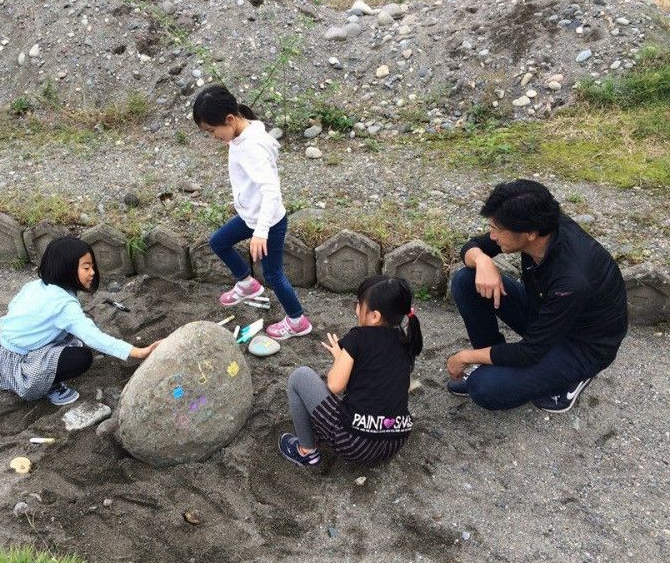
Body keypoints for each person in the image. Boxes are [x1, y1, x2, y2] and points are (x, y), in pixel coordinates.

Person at [446, 179, 628, 413]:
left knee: (484, 388)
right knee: (466, 280)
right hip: (546, 310)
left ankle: (574, 377)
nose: (492, 236)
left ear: (530, 233)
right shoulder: (539, 224)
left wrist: (466, 356)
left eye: (497, 229)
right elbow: (472, 246)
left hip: (582, 346)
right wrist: (482, 260)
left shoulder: (572, 280)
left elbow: (529, 352)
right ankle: (494, 366)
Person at [192, 84, 312, 340]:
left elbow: (271, 191)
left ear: (229, 119)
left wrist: (261, 232)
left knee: (273, 274)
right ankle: (247, 284)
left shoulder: (251, 147)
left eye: (212, 131)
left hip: (268, 222)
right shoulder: (243, 132)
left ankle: (297, 321)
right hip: (250, 217)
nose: (213, 137)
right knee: (218, 242)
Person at [0, 236, 160, 405]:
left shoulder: (35, 285)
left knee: (69, 333)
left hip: (2, 351)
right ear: (66, 268)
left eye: (92, 266)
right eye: (86, 267)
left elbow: (14, 308)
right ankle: (49, 385)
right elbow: (93, 337)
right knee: (81, 358)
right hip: (22, 367)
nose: (92, 272)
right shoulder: (64, 305)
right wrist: (137, 352)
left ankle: (43, 357)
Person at [278, 275, 422, 466]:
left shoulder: (358, 338)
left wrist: (340, 359)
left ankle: (306, 451)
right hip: (394, 442)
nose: (356, 309)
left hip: (355, 444)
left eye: (359, 305)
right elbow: (381, 381)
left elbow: (335, 385)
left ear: (375, 316)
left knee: (300, 377)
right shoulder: (405, 340)